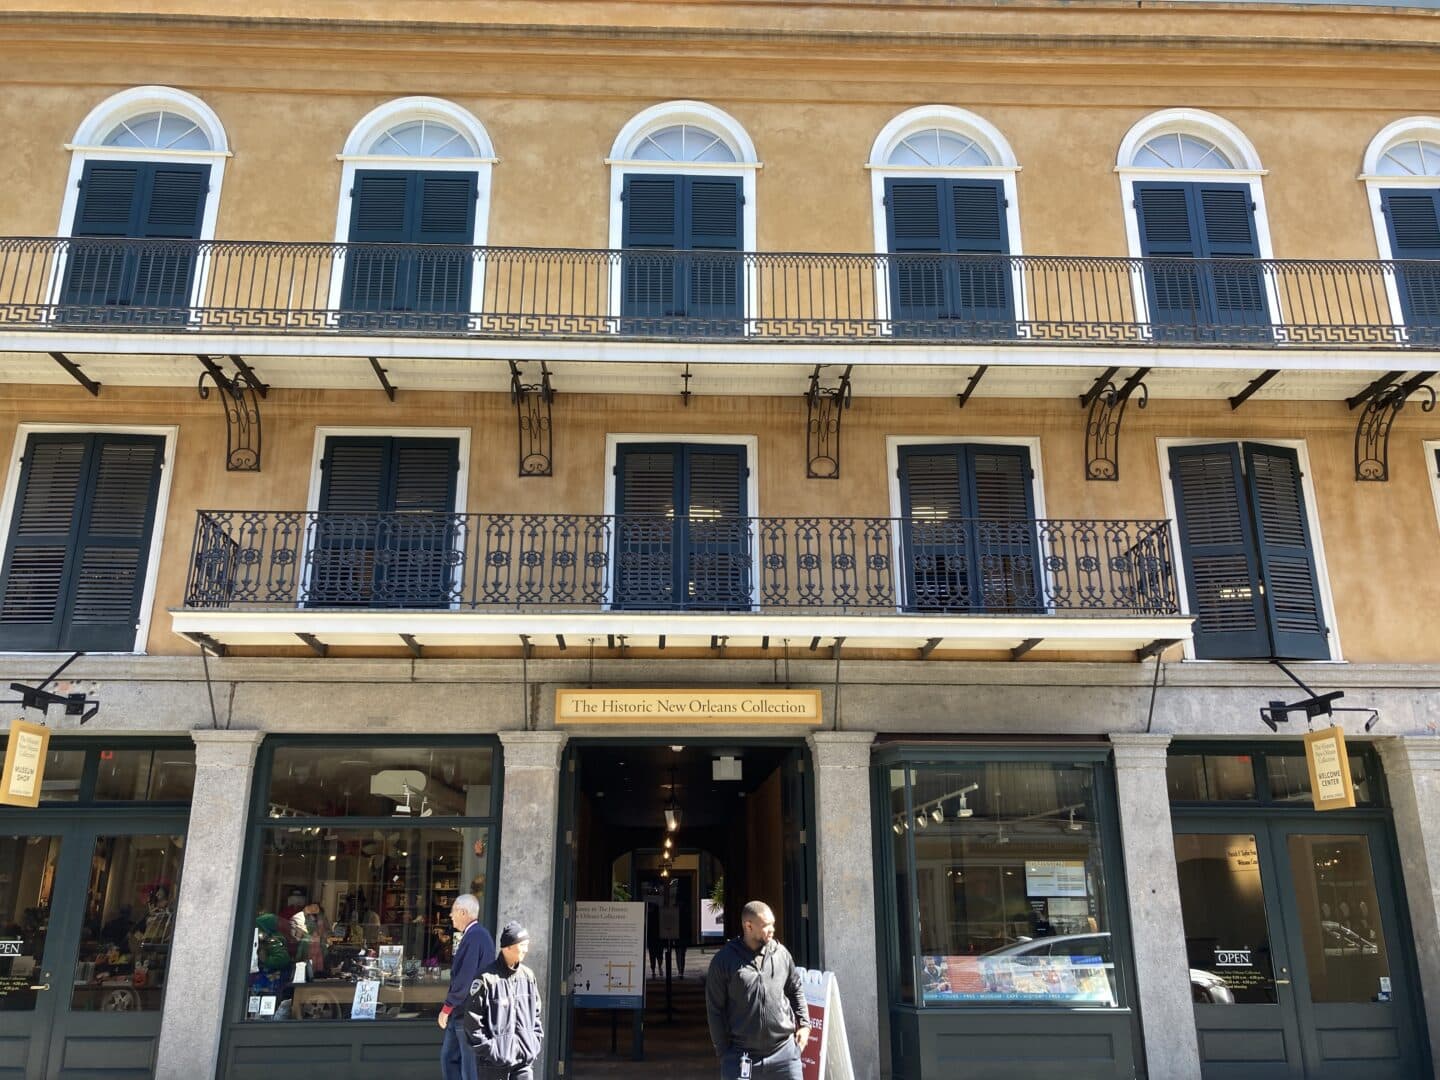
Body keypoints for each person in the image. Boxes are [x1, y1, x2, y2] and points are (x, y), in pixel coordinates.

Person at [705, 900, 810, 1080]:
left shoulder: (781, 954)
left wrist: (805, 1025)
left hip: (784, 1055)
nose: (772, 930)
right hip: (741, 1056)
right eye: (766, 925)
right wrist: (724, 1052)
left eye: (773, 924)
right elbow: (715, 1009)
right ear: (748, 926)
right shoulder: (724, 961)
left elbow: (795, 989)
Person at [462, 921, 543, 1080]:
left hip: (523, 1064)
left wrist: (532, 1044)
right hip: (493, 1066)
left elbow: (537, 1015)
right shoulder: (486, 978)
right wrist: (493, 1051)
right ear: (508, 947)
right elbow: (472, 1022)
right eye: (523, 945)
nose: (526, 949)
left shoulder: (528, 977)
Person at [439, 894, 496, 1080]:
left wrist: (447, 1007)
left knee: (469, 1067)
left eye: (453, 911)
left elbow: (465, 977)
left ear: (463, 912)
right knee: (449, 1059)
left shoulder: (475, 936)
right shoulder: (475, 935)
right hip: (462, 1011)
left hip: (468, 1012)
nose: (450, 915)